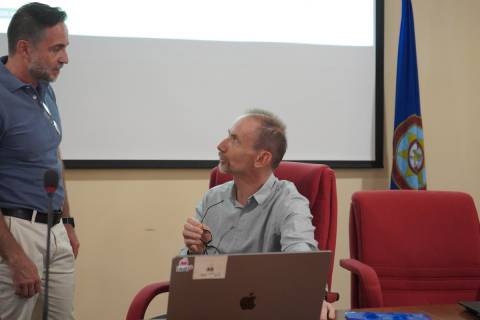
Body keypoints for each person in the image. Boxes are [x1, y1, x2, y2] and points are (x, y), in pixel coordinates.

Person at [182, 109, 335, 320]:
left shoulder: (288, 201)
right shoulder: (212, 199)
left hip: (261, 311)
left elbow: (302, 258)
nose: (220, 145)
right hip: (211, 308)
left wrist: (313, 296)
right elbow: (184, 274)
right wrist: (194, 252)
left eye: (234, 140)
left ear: (262, 158)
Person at [0, 3, 78, 320]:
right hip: (14, 231)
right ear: (24, 48)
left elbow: (52, 156)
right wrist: (15, 255)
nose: (65, 58)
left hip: (55, 228)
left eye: (65, 48)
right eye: (56, 48)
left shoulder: (45, 90)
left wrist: (68, 223)